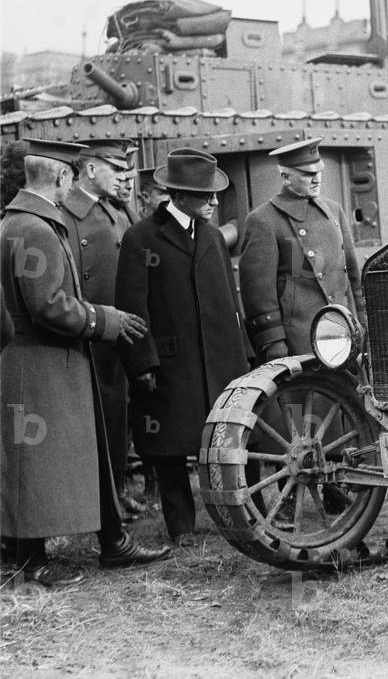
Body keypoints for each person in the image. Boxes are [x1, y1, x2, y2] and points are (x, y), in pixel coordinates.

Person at [2, 139, 170, 586]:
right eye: (69, 176)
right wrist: (104, 319)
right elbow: (48, 305)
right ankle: (30, 563)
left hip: (44, 364)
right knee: (32, 466)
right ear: (60, 177)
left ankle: (112, 541)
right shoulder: (35, 228)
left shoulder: (20, 222)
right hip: (42, 367)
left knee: (78, 452)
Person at [115, 148, 250, 546]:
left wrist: (244, 355)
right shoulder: (140, 238)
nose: (214, 202)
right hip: (171, 365)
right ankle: (181, 529)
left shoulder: (210, 236)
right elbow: (131, 308)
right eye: (205, 195)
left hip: (220, 362)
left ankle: (231, 515)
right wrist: (143, 364)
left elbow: (231, 300)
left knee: (223, 443)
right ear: (178, 195)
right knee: (171, 448)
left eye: (214, 195)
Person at [61, 139, 144, 520]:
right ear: (91, 170)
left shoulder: (115, 210)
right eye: (116, 167)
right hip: (85, 335)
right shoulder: (66, 213)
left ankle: (117, 490)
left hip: (116, 333)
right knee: (90, 423)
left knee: (117, 417)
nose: (123, 176)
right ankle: (97, 502)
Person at [239, 137, 365, 360]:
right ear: (286, 177)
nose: (317, 179)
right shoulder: (263, 220)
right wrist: (273, 344)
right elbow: (259, 295)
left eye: (319, 172)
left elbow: (353, 277)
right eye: (307, 174)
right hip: (301, 340)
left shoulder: (334, 211)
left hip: (345, 334)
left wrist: (363, 324)